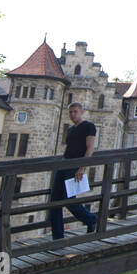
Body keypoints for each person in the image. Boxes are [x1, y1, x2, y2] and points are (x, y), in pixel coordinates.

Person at [49, 102, 97, 238]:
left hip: (75, 165)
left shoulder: (89, 126)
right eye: (70, 112)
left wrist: (82, 167)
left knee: (69, 199)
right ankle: (57, 237)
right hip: (64, 164)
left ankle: (90, 219)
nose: (73, 114)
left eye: (75, 111)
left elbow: (90, 148)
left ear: (81, 112)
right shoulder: (70, 129)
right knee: (54, 202)